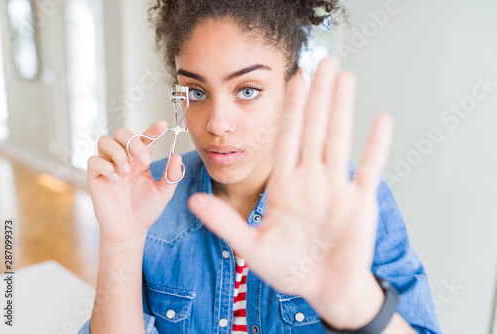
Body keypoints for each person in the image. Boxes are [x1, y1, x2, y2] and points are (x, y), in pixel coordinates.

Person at [79, 0, 441, 333]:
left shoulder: (351, 199)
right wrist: (121, 243)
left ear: (291, 91)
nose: (217, 124)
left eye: (248, 90)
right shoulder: (149, 196)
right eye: (197, 92)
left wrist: (358, 307)